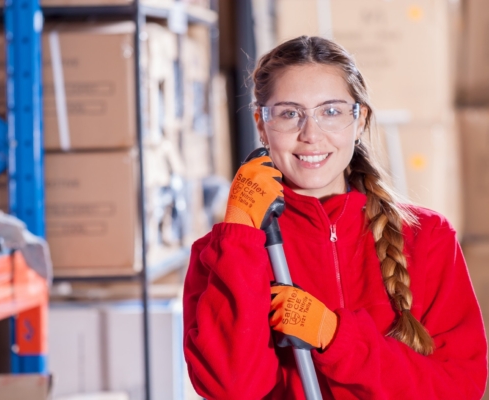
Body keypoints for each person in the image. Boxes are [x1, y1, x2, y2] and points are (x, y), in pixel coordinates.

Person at [182, 36, 488, 399]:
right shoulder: (224, 253)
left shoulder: (428, 237)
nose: (310, 135)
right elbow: (232, 389)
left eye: (330, 111)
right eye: (289, 113)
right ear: (261, 125)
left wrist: (336, 336)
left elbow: (459, 388)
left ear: (360, 121)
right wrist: (238, 235)